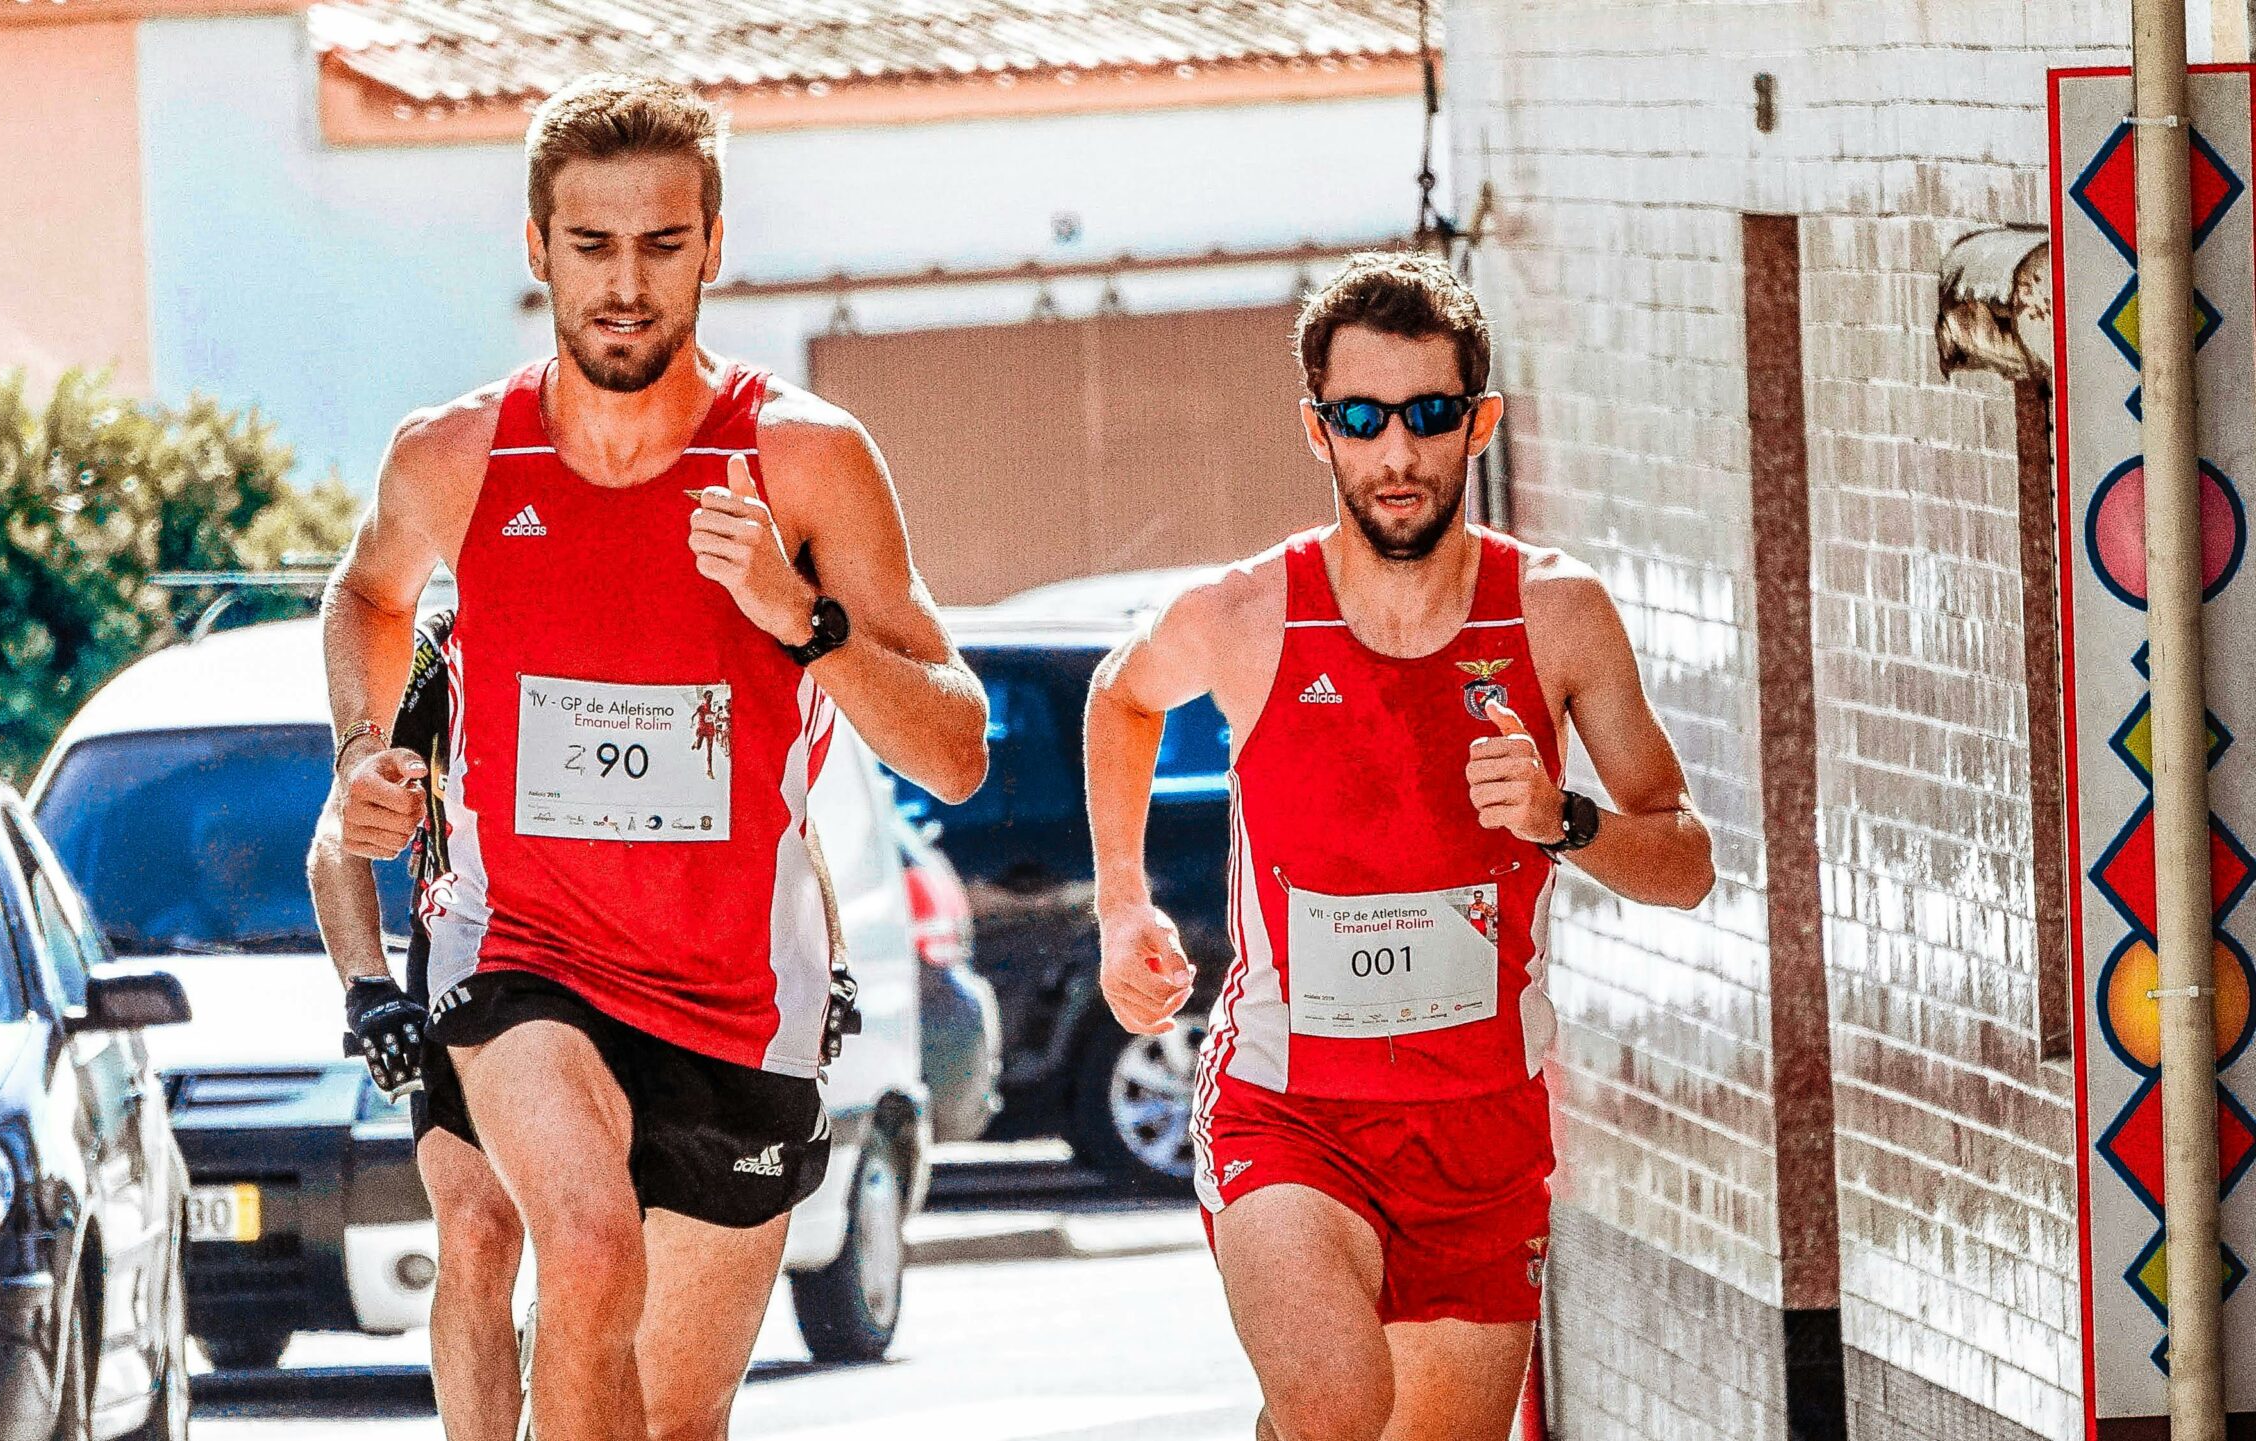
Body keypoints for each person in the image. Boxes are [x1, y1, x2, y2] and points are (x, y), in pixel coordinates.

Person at [323, 73, 988, 1441]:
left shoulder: (801, 461)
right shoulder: (458, 455)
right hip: (525, 961)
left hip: (740, 1006)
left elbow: (959, 747)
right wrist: (363, 752)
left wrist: (803, 625)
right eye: (591, 246)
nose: (626, 285)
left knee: (674, 1416)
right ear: (536, 249)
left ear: (714, 244)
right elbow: (366, 597)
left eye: (661, 245)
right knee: (581, 1243)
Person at [1086, 251, 1716, 1441]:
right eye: (1362, 420)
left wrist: (1560, 820)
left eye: (1428, 417)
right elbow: (1120, 697)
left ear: (1475, 421)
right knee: (1332, 1407)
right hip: (1290, 1109)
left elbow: (1684, 859)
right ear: (1317, 433)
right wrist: (1124, 904)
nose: (1397, 455)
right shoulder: (1246, 612)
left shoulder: (1556, 613)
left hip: (1482, 1130)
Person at [308, 607, 528, 1441]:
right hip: (473, 959)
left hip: (627, 958)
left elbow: (788, 812)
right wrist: (369, 988)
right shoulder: (443, 655)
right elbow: (338, 833)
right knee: (475, 1230)